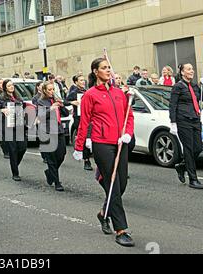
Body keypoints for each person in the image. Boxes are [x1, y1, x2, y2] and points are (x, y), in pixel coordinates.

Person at [73, 58, 135, 247]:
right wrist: (79, 146)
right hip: (102, 144)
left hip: (120, 143)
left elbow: (129, 116)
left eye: (109, 67)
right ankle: (121, 230)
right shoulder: (90, 95)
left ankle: (103, 213)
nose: (108, 70)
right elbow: (84, 122)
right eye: (104, 68)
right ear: (95, 71)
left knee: (121, 183)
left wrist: (127, 134)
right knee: (114, 185)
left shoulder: (119, 93)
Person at [169, 63, 203, 190]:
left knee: (198, 148)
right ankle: (193, 179)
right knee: (188, 149)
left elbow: (202, 98)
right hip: (183, 120)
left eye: (192, 69)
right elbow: (172, 105)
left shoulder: (194, 86)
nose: (192, 71)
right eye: (188, 69)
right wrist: (173, 122)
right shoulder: (177, 87)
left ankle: (182, 166)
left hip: (195, 120)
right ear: (182, 72)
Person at [37, 82, 69, 191]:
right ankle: (57, 182)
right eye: (49, 90)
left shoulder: (55, 100)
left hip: (59, 130)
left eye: (53, 89)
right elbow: (41, 117)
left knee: (62, 154)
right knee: (52, 158)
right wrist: (51, 108)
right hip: (47, 131)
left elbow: (65, 113)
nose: (52, 92)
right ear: (44, 91)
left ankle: (50, 173)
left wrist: (61, 105)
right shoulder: (41, 102)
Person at [0, 79, 27, 181]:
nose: (12, 87)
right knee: (13, 150)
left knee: (22, 147)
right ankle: (15, 173)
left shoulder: (18, 97)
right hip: (8, 127)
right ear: (5, 88)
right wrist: (2, 109)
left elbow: (23, 106)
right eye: (9, 86)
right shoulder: (2, 98)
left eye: (12, 85)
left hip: (19, 125)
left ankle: (15, 163)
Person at [65, 75, 93, 171]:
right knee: (84, 137)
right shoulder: (74, 92)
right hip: (79, 118)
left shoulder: (87, 91)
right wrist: (72, 102)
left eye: (83, 80)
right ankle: (86, 160)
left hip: (89, 117)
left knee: (91, 137)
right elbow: (65, 101)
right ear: (76, 82)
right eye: (81, 80)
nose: (83, 82)